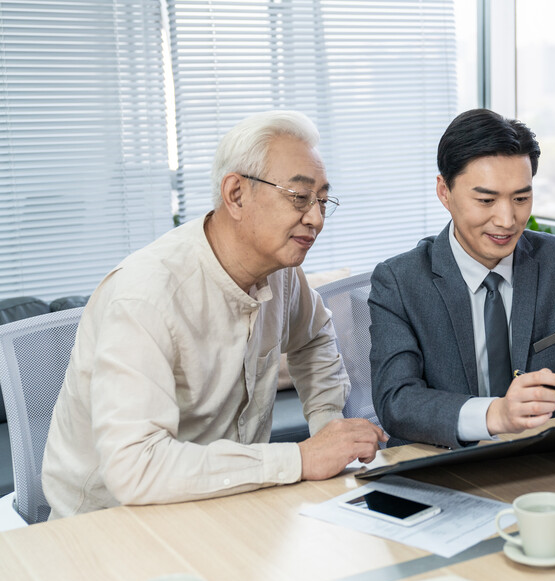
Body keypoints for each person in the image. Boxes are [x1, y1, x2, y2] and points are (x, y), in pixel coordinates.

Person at [42, 111, 385, 518]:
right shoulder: (146, 295)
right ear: (236, 194)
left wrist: (327, 426)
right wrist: (300, 459)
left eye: (323, 201)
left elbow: (313, 338)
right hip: (112, 523)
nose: (316, 218)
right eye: (299, 197)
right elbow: (135, 469)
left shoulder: (282, 274)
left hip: (229, 501)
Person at [368, 108, 555, 462]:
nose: (507, 220)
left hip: (539, 469)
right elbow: (397, 400)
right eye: (486, 200)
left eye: (521, 198)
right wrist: (495, 414)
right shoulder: (399, 282)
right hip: (437, 471)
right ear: (444, 192)